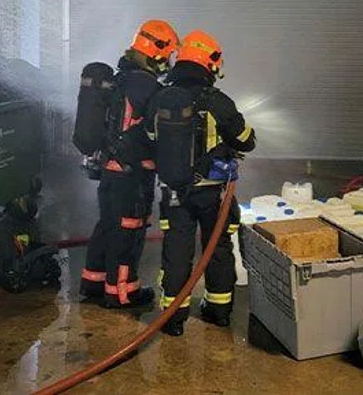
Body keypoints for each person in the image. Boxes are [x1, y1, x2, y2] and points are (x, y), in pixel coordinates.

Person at [149, 30, 256, 336]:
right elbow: (246, 140)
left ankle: (173, 318)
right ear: (209, 63)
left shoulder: (159, 98)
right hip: (212, 193)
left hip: (173, 192)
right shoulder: (218, 101)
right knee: (218, 248)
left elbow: (148, 138)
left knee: (177, 251)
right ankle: (219, 311)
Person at [78, 19, 180, 308]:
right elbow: (157, 133)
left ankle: (93, 281)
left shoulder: (121, 78)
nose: (169, 62)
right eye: (169, 54)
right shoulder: (146, 86)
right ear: (156, 52)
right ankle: (122, 293)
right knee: (129, 231)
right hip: (133, 174)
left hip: (110, 169)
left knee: (108, 226)